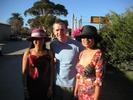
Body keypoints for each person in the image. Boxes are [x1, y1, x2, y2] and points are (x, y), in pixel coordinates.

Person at [50, 19, 84, 100]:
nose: (59, 32)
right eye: (57, 30)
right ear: (54, 31)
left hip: (71, 85)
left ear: (66, 30)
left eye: (62, 29)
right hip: (57, 84)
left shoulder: (77, 45)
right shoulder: (53, 45)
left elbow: (83, 65)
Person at [22, 28, 54, 100]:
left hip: (45, 87)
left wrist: (50, 87)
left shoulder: (49, 53)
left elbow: (51, 71)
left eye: (41, 39)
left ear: (44, 40)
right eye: (35, 39)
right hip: (31, 86)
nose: (38, 41)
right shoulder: (28, 52)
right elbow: (24, 72)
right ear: (32, 41)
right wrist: (25, 88)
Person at [74, 25, 104, 100]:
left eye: (89, 37)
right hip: (80, 93)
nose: (86, 40)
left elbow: (98, 81)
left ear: (95, 39)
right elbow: (79, 76)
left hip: (91, 96)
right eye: (83, 37)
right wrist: (75, 92)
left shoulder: (98, 55)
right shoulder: (82, 53)